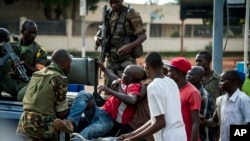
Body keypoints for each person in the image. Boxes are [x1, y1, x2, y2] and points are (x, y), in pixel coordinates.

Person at [53, 63, 146, 140]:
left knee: (84, 134)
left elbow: (132, 100)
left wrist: (110, 91)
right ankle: (70, 122)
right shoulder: (123, 82)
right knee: (84, 94)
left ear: (130, 78)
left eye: (124, 73)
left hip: (108, 122)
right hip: (100, 112)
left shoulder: (133, 86)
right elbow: (113, 77)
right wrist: (104, 68)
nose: (121, 75)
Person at [119, 52, 186, 141]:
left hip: (167, 137)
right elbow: (155, 119)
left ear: (147, 67)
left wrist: (133, 139)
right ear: (162, 65)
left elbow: (160, 123)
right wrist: (131, 135)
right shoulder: (172, 82)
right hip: (181, 135)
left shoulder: (153, 87)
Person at [16, 49, 72, 141]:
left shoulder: (37, 74)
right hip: (43, 128)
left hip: (25, 124)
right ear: (64, 63)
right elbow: (61, 113)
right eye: (70, 64)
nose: (71, 67)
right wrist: (72, 108)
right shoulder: (60, 78)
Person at [94, 0, 147, 97]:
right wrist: (97, 38)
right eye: (111, 2)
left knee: (126, 90)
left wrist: (129, 46)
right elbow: (100, 32)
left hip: (126, 61)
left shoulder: (131, 14)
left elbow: (143, 36)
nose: (113, 5)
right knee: (108, 92)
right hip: (110, 60)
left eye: (116, 2)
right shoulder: (108, 14)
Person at [0, 20, 48, 99]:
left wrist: (26, 66)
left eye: (34, 33)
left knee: (23, 95)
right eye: (29, 32)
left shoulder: (40, 50)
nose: (32, 35)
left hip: (26, 83)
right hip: (11, 80)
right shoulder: (12, 46)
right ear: (22, 32)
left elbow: (41, 73)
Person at [200, 70, 250, 141]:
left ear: (230, 82)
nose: (219, 83)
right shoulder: (221, 100)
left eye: (222, 81)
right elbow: (214, 122)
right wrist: (204, 121)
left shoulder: (243, 99)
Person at [167, 57, 201, 141]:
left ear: (178, 73)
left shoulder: (192, 92)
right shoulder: (172, 89)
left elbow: (196, 122)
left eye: (170, 71)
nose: (168, 74)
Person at [195, 51, 220, 141]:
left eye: (201, 61)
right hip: (197, 122)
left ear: (209, 61)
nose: (197, 63)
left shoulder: (219, 80)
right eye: (196, 61)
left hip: (214, 124)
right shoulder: (194, 80)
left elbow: (224, 102)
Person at [187, 66, 213, 141]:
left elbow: (202, 121)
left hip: (202, 136)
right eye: (188, 74)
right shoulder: (188, 91)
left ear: (201, 77)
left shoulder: (204, 96)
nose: (188, 76)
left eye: (192, 75)